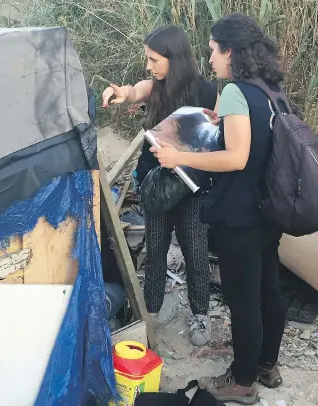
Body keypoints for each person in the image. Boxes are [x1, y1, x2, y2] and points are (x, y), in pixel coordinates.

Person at [150, 13, 286, 405]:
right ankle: (267, 365)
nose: (209, 58)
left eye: (213, 50)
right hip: (268, 207)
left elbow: (237, 157)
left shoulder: (235, 91)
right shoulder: (270, 88)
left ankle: (242, 381)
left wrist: (177, 156)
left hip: (239, 213)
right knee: (268, 289)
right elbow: (257, 139)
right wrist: (220, 122)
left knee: (244, 299)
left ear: (231, 51)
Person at [102, 25, 219, 346]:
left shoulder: (209, 93)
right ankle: (149, 311)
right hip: (156, 185)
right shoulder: (155, 89)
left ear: (174, 58)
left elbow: (218, 138)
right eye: (148, 60)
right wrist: (122, 93)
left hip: (191, 185)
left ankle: (200, 315)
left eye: (154, 60)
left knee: (196, 252)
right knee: (155, 251)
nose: (149, 66)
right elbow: (136, 90)